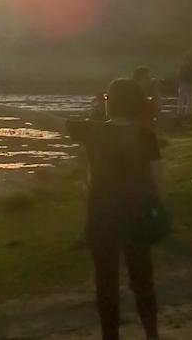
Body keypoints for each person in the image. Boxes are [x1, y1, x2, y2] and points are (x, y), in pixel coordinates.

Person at [45, 78, 164, 340]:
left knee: (106, 285)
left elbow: (48, 121)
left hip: (102, 218)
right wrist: (155, 208)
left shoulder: (92, 130)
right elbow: (157, 181)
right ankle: (152, 335)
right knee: (143, 282)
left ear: (111, 102)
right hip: (138, 216)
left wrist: (5, 111)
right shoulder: (146, 135)